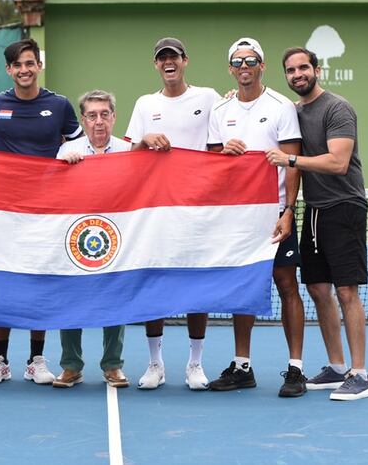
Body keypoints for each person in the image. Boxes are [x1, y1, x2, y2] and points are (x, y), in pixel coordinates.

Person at [266, 47, 368, 401]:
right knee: (317, 289)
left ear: (316, 70)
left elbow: (339, 161)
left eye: (303, 68)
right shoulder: (293, 112)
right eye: (291, 70)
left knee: (346, 291)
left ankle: (360, 373)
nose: (297, 74)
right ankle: (337, 366)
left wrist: (291, 158)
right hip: (313, 211)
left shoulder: (337, 108)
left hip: (343, 207)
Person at [207, 37, 306, 397]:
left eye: (250, 61)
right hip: (238, 216)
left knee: (286, 285)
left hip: (275, 213)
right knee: (243, 289)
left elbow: (292, 163)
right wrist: (224, 155)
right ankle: (242, 366)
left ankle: (295, 370)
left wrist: (289, 211)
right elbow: (212, 166)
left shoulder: (281, 107)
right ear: (230, 69)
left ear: (261, 66)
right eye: (237, 62)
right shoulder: (220, 111)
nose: (244, 66)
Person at [0, 38, 83, 385]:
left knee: (40, 280)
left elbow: (78, 143)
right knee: (4, 280)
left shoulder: (59, 105)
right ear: (9, 70)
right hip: (6, 210)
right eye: (17, 65)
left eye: (29, 63)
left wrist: (68, 153)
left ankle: (37, 360)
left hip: (47, 211)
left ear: (38, 66)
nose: (24, 70)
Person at [124, 37, 221, 390]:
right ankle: (155, 364)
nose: (168, 62)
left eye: (174, 57)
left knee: (196, 285)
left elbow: (217, 145)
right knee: (155, 282)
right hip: (157, 208)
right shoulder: (145, 104)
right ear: (156, 65)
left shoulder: (209, 98)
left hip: (196, 207)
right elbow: (131, 152)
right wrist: (146, 139)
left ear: (184, 61)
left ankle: (195, 364)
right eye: (162, 58)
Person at [53, 89, 132, 388]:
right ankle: (71, 366)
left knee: (115, 300)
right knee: (70, 300)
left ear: (113, 117)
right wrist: (66, 170)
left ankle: (113, 365)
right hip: (76, 237)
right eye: (92, 116)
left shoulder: (128, 151)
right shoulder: (66, 151)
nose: (99, 122)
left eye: (104, 115)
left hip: (116, 237)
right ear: (83, 120)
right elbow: (56, 195)